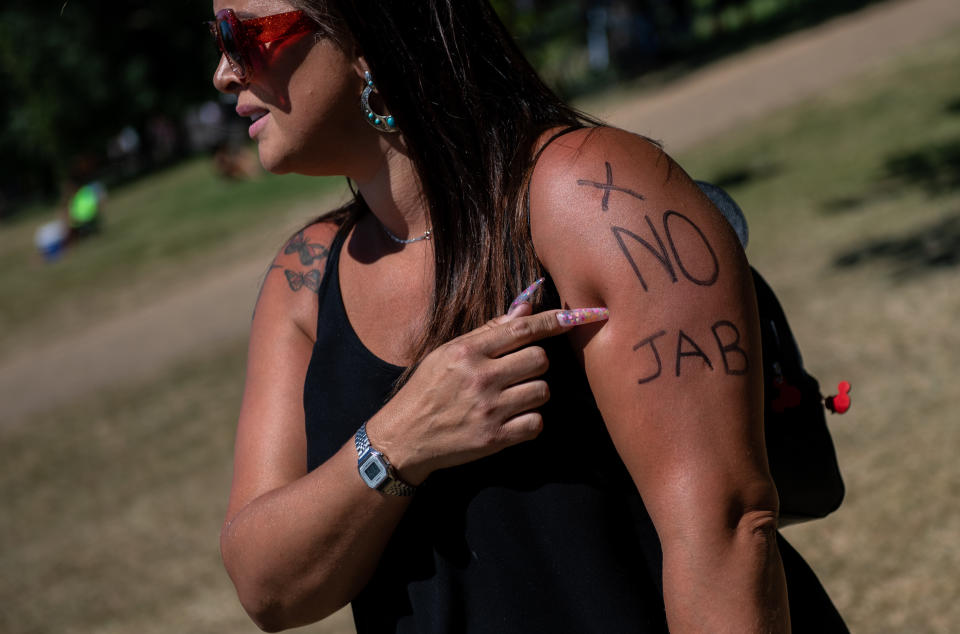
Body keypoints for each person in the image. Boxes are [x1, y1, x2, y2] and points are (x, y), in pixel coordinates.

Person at [210, 1, 847, 632]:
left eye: (243, 33)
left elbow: (726, 533)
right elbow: (269, 588)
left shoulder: (590, 193)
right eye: (218, 36)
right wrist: (401, 440)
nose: (224, 71)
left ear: (368, 37)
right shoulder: (305, 277)